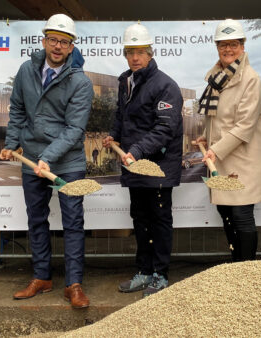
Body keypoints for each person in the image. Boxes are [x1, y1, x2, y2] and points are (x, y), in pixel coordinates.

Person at [0, 14, 94, 308]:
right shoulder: (27, 70)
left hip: (67, 161)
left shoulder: (80, 82)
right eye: (53, 39)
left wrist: (48, 158)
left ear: (71, 46)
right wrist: (11, 143)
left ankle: (73, 284)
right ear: (44, 40)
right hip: (31, 157)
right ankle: (41, 277)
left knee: (73, 222)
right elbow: (17, 109)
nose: (57, 46)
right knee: (36, 219)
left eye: (64, 42)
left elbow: (75, 130)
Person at [102, 23, 183, 297]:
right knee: (140, 218)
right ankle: (144, 271)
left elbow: (164, 129)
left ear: (150, 53)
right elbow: (121, 117)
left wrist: (135, 150)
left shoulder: (166, 86)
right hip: (134, 164)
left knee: (159, 219)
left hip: (158, 166)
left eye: (140, 52)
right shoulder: (127, 81)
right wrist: (113, 136)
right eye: (129, 52)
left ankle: (160, 274)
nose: (135, 57)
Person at [195, 19, 261, 262]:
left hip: (245, 157)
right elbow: (218, 118)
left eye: (233, 44)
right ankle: (235, 267)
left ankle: (246, 270)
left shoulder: (250, 79)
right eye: (222, 45)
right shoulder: (217, 77)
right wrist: (206, 138)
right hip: (223, 155)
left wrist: (215, 150)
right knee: (225, 211)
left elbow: (245, 125)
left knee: (241, 213)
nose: (228, 50)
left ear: (242, 45)